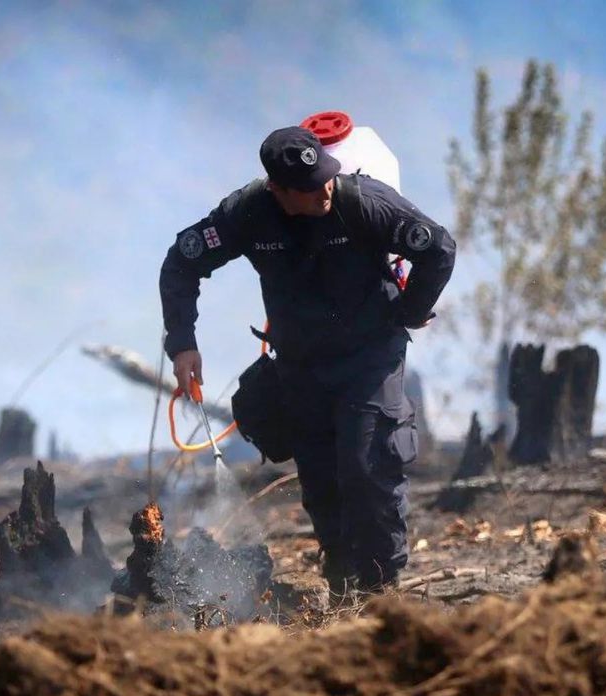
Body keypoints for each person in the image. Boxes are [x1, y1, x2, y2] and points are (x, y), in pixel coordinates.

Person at [159, 126, 456, 593]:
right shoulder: (248, 213)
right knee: (321, 476)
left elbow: (438, 247)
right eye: (309, 186)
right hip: (300, 362)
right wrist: (182, 342)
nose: (324, 190)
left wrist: (411, 311)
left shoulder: (364, 202)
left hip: (370, 355)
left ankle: (381, 586)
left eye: (326, 176)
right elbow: (181, 261)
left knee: (366, 462)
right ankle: (341, 579)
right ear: (278, 190)